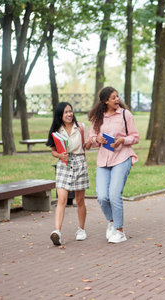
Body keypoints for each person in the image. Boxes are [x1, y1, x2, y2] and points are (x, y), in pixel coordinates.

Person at [88, 87, 140, 244]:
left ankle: (119, 231)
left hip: (122, 157)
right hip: (103, 160)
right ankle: (111, 222)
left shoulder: (125, 114)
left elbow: (135, 137)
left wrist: (123, 140)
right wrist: (97, 139)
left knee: (114, 194)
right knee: (102, 196)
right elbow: (91, 137)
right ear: (105, 101)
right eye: (113, 98)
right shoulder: (98, 117)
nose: (117, 99)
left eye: (117, 96)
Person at [46, 102, 89, 246]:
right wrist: (60, 156)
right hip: (64, 164)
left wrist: (93, 142)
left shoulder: (81, 127)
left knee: (80, 200)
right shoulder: (56, 131)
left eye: (70, 111)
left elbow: (87, 145)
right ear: (60, 115)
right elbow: (53, 151)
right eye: (66, 112)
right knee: (62, 200)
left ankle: (81, 229)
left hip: (79, 162)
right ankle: (57, 231)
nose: (69, 114)